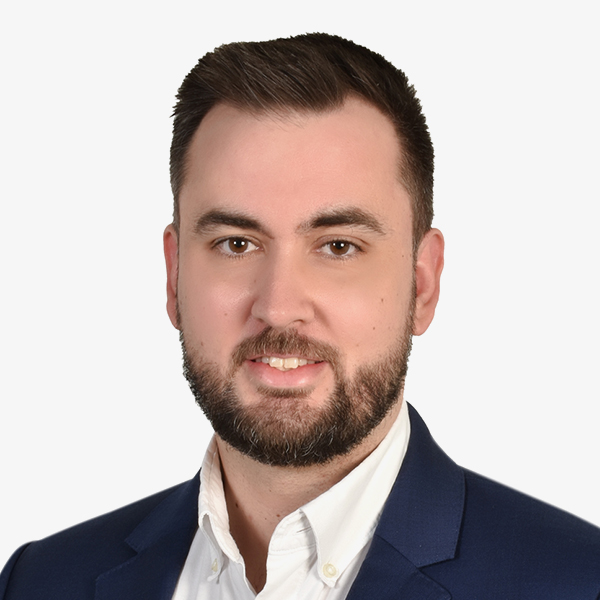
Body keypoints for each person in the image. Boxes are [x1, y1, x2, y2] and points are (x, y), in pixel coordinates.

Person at [1, 32, 599, 600]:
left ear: (422, 284)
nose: (279, 306)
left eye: (338, 246)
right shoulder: (39, 582)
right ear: (174, 275)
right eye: (236, 243)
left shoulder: (579, 582)